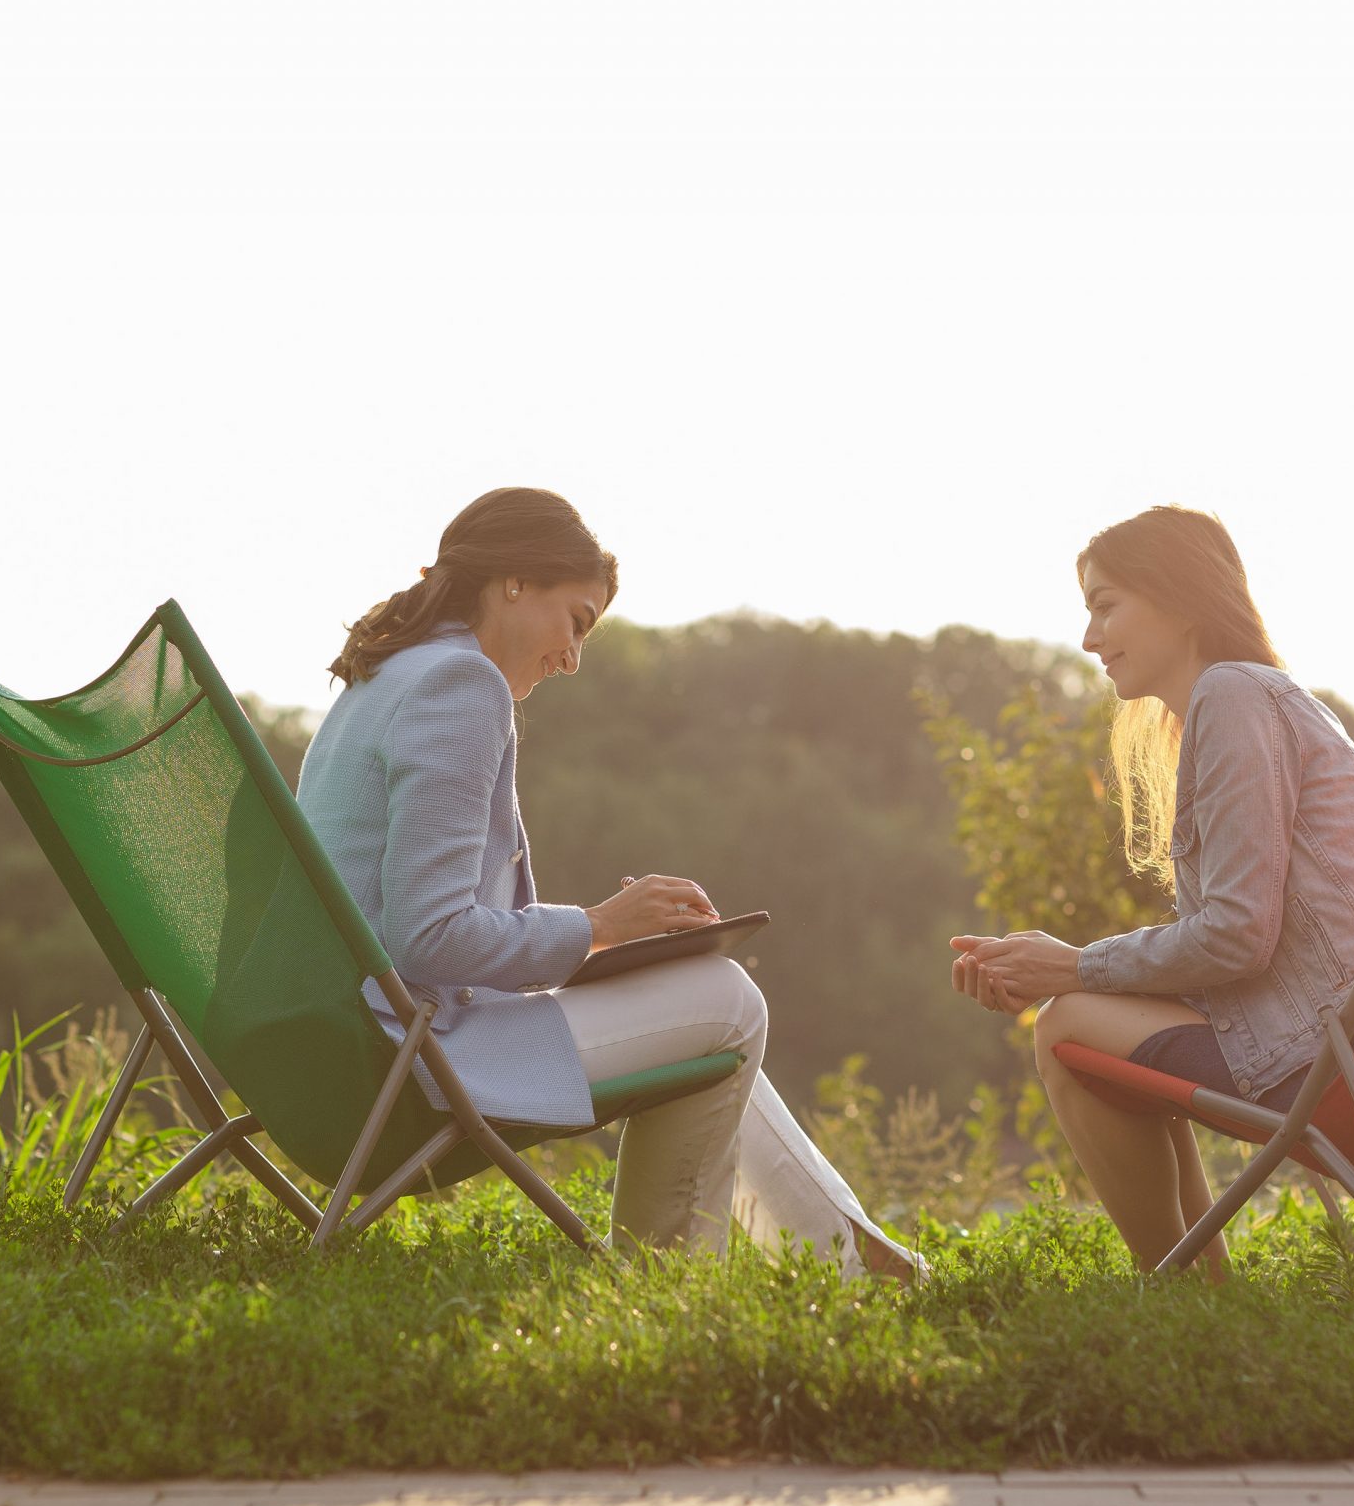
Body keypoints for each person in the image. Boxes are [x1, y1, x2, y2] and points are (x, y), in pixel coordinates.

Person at [298, 486, 922, 1281]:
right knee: (727, 1000)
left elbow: (407, 921)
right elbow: (428, 934)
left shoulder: (385, 676)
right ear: (514, 582)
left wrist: (609, 937)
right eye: (577, 620)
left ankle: (851, 1249)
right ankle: (667, 1280)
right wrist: (601, 924)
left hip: (338, 1040)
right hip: (403, 1054)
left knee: (702, 994)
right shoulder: (461, 686)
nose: (573, 656)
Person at [948, 505, 1354, 1278]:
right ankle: (1201, 1288)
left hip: (1350, 1053)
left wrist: (1070, 971)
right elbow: (1250, 949)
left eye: (1106, 606)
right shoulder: (1255, 699)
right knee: (1086, 1016)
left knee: (1065, 1028)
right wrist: (1035, 968)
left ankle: (1186, 1292)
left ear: (1180, 597)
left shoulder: (1234, 696)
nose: (1089, 638)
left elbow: (1237, 936)